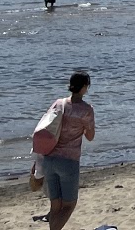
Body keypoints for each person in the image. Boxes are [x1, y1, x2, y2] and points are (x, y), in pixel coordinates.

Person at [41, 71, 96, 230]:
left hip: (49, 158)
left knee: (55, 206)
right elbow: (90, 136)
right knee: (69, 205)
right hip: (68, 161)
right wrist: (83, 128)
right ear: (84, 87)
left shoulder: (58, 103)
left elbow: (45, 127)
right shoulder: (86, 109)